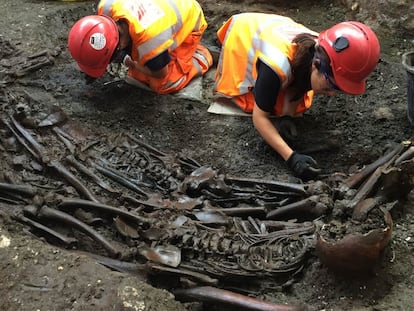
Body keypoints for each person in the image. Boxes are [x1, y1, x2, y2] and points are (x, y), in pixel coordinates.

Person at [213, 13, 380, 180]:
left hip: (268, 27)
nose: (332, 93)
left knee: (288, 104)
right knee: (268, 106)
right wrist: (291, 158)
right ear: (316, 65)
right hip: (242, 35)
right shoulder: (276, 64)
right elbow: (259, 117)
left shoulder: (321, 47)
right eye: (332, 85)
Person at [68, 0, 213, 94]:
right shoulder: (106, 6)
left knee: (162, 84)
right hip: (165, 12)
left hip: (189, 19)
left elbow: (160, 73)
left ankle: (203, 56)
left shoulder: (150, 40)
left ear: (120, 46)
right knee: (138, 74)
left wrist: (129, 62)